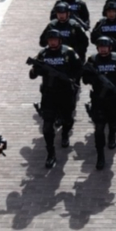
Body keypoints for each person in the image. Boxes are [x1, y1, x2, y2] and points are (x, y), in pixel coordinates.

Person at [29, 31, 82, 169]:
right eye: (50, 40)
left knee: (67, 119)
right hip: (49, 95)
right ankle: (50, 153)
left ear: (60, 40)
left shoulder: (69, 53)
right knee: (47, 127)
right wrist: (35, 70)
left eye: (55, 40)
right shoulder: (43, 54)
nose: (52, 42)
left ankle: (65, 134)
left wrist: (72, 81)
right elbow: (32, 75)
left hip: (65, 93)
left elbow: (79, 69)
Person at [82, 36, 116, 170]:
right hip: (98, 99)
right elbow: (85, 78)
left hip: (113, 98)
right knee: (99, 129)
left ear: (110, 48)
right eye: (100, 47)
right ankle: (100, 155)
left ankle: (112, 135)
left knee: (113, 121)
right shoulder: (92, 60)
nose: (103, 49)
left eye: (105, 47)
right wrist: (96, 79)